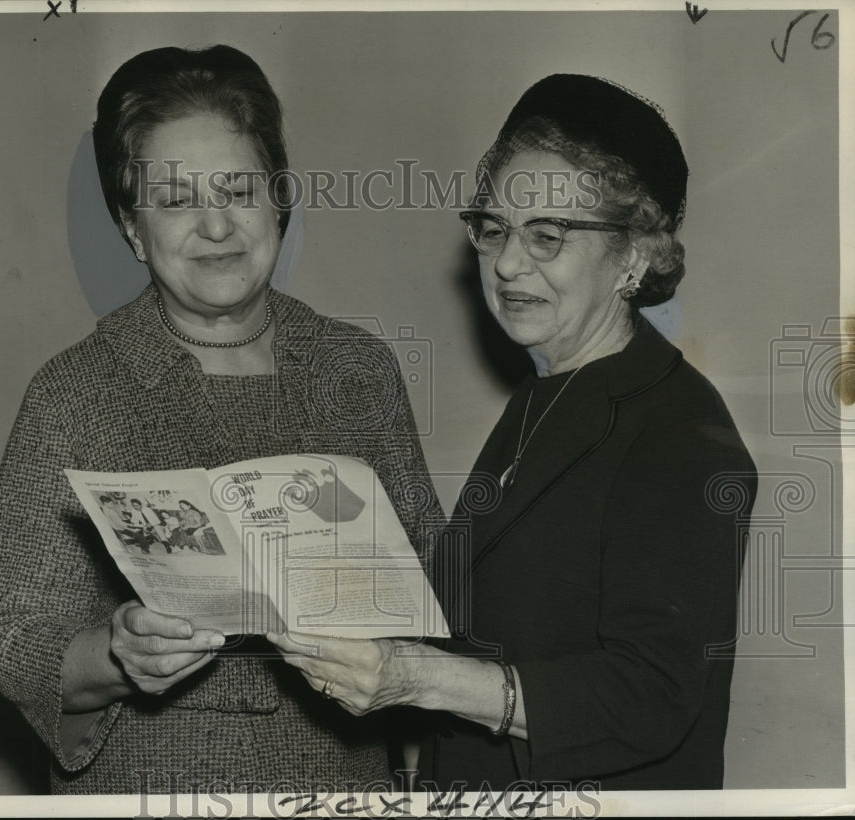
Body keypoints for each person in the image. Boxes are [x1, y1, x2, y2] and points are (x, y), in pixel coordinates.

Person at [0, 45, 442, 794]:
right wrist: (117, 653)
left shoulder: (360, 371)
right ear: (132, 229)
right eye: (178, 199)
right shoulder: (75, 392)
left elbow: (434, 584)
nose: (217, 226)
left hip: (341, 784)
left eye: (238, 189)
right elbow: (11, 638)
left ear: (278, 198)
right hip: (145, 785)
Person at [269, 74, 757, 790]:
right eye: (493, 229)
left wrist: (416, 678)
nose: (506, 263)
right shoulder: (544, 398)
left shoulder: (681, 432)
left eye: (548, 235)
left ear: (636, 254)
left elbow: (649, 699)